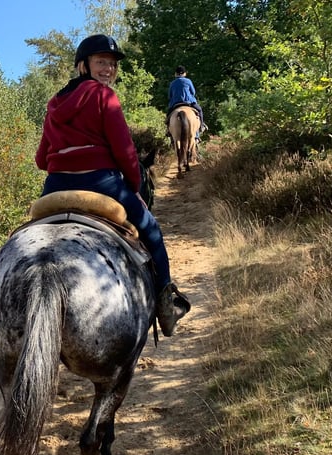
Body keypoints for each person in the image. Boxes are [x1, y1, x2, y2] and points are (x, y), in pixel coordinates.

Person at [35, 34, 191, 336]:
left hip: (55, 186)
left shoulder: (54, 104)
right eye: (101, 62)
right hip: (102, 182)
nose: (107, 68)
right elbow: (125, 152)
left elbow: (42, 159)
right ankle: (165, 306)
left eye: (111, 64)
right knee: (152, 232)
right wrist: (134, 187)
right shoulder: (105, 96)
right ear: (83, 65)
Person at [166, 65, 206, 138]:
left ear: (176, 74)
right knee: (199, 110)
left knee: (168, 115)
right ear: (184, 73)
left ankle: (168, 130)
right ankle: (201, 127)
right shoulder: (188, 81)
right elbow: (193, 92)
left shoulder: (172, 83)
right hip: (189, 102)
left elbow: (169, 95)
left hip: (175, 103)